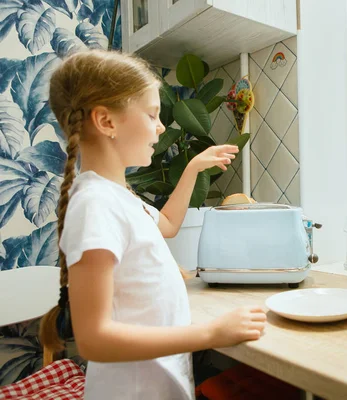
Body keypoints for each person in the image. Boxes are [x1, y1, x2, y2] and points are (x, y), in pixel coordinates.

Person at [38, 49, 267, 400]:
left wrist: (193, 168)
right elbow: (94, 339)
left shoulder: (119, 197)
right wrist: (210, 333)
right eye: (152, 114)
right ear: (107, 122)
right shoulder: (95, 205)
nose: (161, 127)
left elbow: (170, 223)